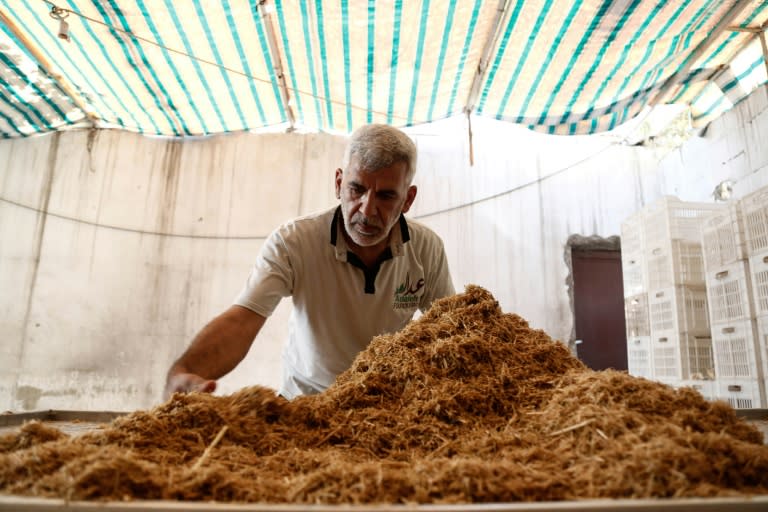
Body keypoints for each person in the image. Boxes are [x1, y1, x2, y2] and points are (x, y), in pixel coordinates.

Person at [164, 124, 455, 400]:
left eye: (386, 196)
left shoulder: (427, 249)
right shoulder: (293, 242)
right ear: (339, 183)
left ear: (408, 199)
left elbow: (452, 333)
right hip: (305, 407)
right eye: (357, 189)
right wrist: (185, 371)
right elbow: (245, 318)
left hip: (384, 412)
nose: (367, 210)